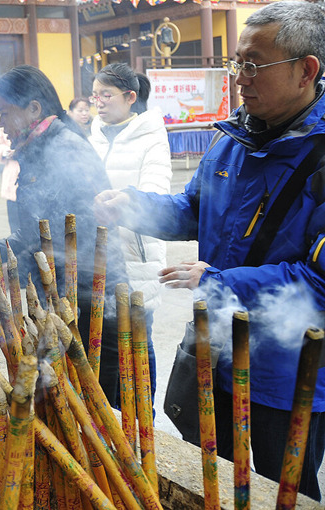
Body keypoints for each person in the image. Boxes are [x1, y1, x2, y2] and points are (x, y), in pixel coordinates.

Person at [94, 1, 325, 500]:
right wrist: (133, 207)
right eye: (236, 62)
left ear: (306, 71)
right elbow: (192, 208)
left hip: (284, 379)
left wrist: (221, 281)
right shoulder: (233, 137)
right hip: (213, 350)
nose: (239, 77)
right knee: (213, 482)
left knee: (276, 492)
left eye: (253, 64)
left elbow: (320, 283)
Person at [0, 65, 139, 405]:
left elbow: (57, 243)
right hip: (66, 306)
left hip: (94, 311)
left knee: (97, 416)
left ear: (33, 109)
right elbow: (35, 236)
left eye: (4, 114)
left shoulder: (65, 149)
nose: (1, 126)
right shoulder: (38, 148)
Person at [89, 63, 172, 400]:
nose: (98, 102)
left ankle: (143, 416)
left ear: (130, 97)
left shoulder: (151, 136)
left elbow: (156, 191)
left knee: (137, 338)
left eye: (106, 95)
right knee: (104, 340)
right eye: (95, 95)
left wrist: (123, 203)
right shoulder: (91, 135)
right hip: (96, 253)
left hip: (135, 252)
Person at [0, 116, 20, 235]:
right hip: (12, 176)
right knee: (15, 226)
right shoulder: (4, 114)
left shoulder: (31, 110)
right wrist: (5, 152)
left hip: (32, 173)